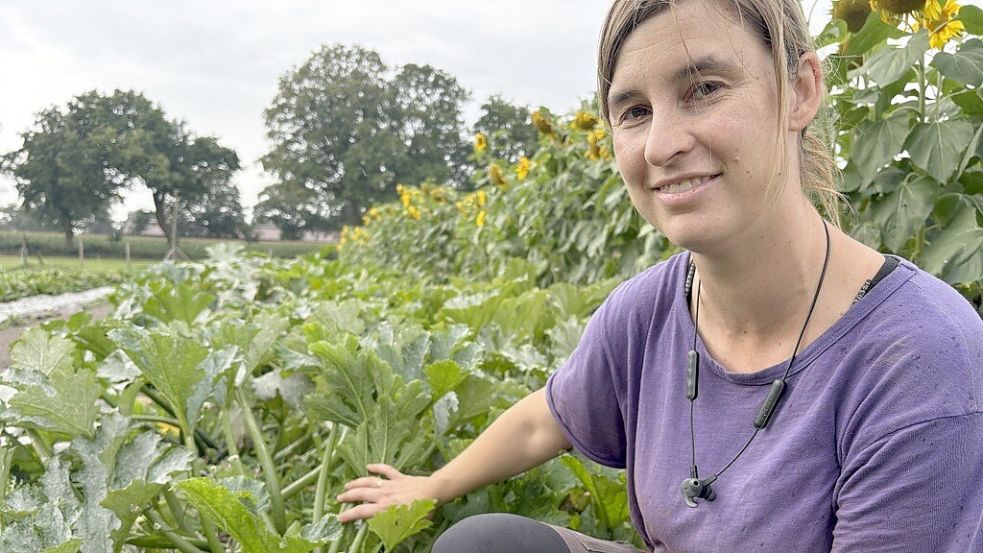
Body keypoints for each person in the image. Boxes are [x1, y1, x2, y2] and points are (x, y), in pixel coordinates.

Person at [335, 0, 983, 551]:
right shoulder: (647, 309)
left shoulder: (919, 362)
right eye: (634, 111)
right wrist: (431, 484)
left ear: (802, 90)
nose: (661, 145)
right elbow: (545, 418)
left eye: (703, 89)